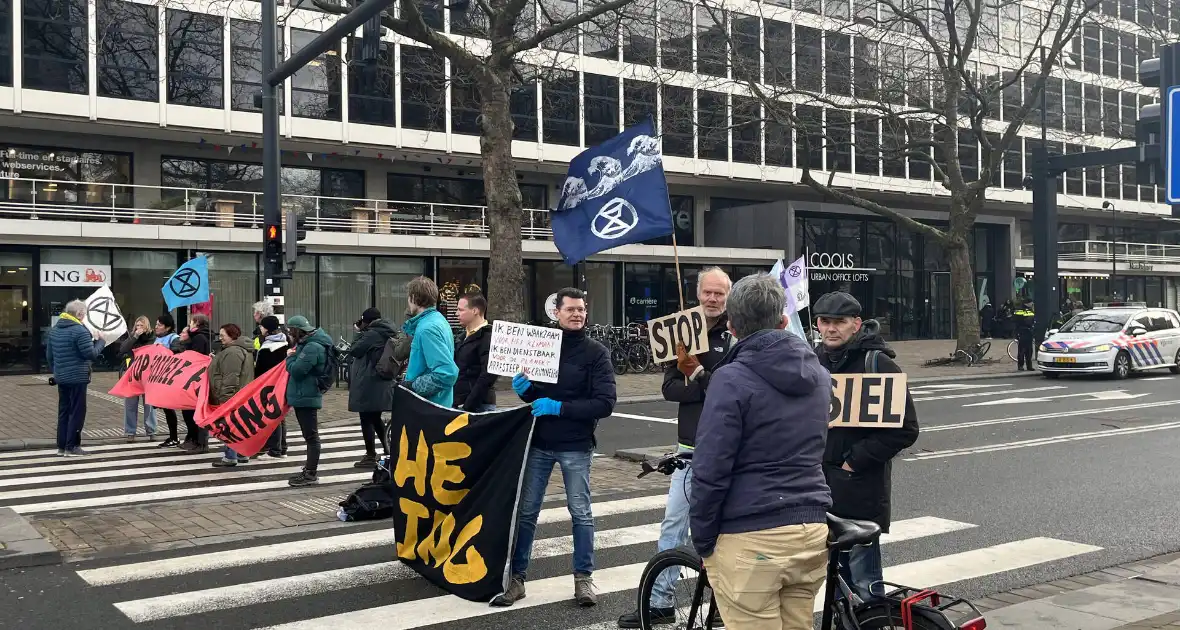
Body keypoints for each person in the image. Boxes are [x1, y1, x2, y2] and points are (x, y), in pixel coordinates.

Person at [690, 274, 832, 630]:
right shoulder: (819, 374)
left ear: (733, 326)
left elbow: (711, 467)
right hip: (811, 526)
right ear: (783, 321)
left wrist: (704, 540)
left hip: (752, 531)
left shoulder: (730, 378)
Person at [619, 267, 733, 628]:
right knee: (673, 524)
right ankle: (660, 602)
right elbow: (669, 388)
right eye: (707, 293)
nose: (712, 299)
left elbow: (733, 394)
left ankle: (719, 604)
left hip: (726, 448)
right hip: (688, 445)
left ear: (728, 297)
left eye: (719, 293)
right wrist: (699, 384)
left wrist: (699, 375)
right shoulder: (682, 332)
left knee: (722, 530)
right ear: (697, 294)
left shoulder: (736, 336)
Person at [495, 287, 617, 608]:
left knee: (580, 513)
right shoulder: (543, 348)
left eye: (581, 309)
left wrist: (559, 407)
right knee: (526, 512)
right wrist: (526, 390)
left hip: (576, 446)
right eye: (570, 309)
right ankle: (517, 579)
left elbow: (604, 403)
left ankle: (583, 579)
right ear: (557, 313)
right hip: (540, 442)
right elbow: (537, 397)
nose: (577, 314)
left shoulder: (597, 353)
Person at [812, 291, 919, 602]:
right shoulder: (814, 362)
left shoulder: (878, 363)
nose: (831, 328)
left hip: (859, 489)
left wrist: (854, 461)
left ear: (856, 324)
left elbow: (905, 430)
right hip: (821, 487)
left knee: (865, 584)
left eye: (839, 322)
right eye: (824, 321)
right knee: (835, 586)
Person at [47, 299, 106, 457]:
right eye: (85, 314)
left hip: (62, 377)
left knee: (64, 411)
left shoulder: (54, 330)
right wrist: (101, 341)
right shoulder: (80, 331)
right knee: (77, 411)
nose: (85, 317)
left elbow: (49, 356)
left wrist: (58, 371)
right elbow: (91, 354)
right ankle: (72, 445)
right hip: (78, 377)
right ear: (80, 314)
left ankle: (61, 446)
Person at [285, 315, 333, 487]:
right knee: (310, 435)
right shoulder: (307, 345)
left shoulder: (312, 347)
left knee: (311, 436)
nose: (289, 335)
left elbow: (297, 370)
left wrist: (289, 357)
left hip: (307, 395)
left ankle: (310, 473)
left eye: (290, 331)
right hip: (304, 394)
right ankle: (309, 470)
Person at [348, 307, 397, 467]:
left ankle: (371, 454)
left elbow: (354, 349)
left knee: (367, 419)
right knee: (375, 418)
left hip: (369, 382)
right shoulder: (386, 331)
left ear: (366, 321)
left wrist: (359, 331)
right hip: (380, 381)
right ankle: (389, 449)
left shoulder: (371, 334)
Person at [401, 276, 458, 407]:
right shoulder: (439, 321)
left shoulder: (427, 329)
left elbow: (447, 373)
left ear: (413, 298)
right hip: (437, 405)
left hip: (427, 408)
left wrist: (412, 386)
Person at [210, 324, 257, 468]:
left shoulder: (233, 352)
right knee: (239, 425)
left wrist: (225, 398)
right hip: (241, 394)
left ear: (231, 336)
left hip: (232, 396)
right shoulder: (240, 350)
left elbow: (231, 377)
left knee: (230, 426)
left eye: (223, 335)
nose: (221, 338)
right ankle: (242, 454)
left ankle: (230, 457)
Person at [172, 314, 212, 453]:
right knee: (188, 410)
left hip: (196, 379)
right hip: (193, 379)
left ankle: (200, 442)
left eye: (191, 322)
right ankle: (193, 438)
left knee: (193, 411)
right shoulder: (197, 337)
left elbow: (194, 357)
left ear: (197, 323)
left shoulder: (199, 338)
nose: (189, 325)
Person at [453, 292, 497, 413]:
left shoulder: (488, 337)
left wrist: (468, 405)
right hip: (460, 403)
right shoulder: (461, 337)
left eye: (461, 310)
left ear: (475, 311)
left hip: (478, 407)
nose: (457, 314)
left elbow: (487, 376)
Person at [255, 315, 290, 458]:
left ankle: (274, 449)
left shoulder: (268, 348)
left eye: (262, 326)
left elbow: (261, 371)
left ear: (267, 329)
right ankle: (282, 447)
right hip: (283, 384)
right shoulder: (286, 341)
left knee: (272, 416)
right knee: (280, 415)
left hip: (269, 386)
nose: (260, 329)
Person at [118, 316, 157, 443]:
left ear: (147, 327)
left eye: (141, 326)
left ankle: (151, 430)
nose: (139, 328)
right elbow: (123, 349)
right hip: (133, 375)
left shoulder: (152, 338)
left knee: (149, 404)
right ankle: (130, 431)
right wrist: (134, 336)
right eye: (137, 325)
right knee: (130, 404)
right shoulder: (132, 338)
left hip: (148, 375)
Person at [153, 314, 182, 449]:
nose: (156, 327)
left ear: (168, 327)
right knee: (166, 408)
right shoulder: (157, 338)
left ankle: (174, 437)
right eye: (156, 324)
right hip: (159, 378)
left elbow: (177, 353)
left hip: (169, 378)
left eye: (159, 324)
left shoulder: (174, 338)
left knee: (169, 408)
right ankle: (173, 436)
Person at [1013, 300, 1035, 371]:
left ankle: (1029, 366)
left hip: (1029, 332)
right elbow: (1016, 321)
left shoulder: (1031, 310)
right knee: (1022, 350)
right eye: (1031, 302)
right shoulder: (1019, 310)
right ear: (1027, 303)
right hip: (1022, 332)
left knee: (1029, 350)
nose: (1032, 304)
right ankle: (1020, 365)